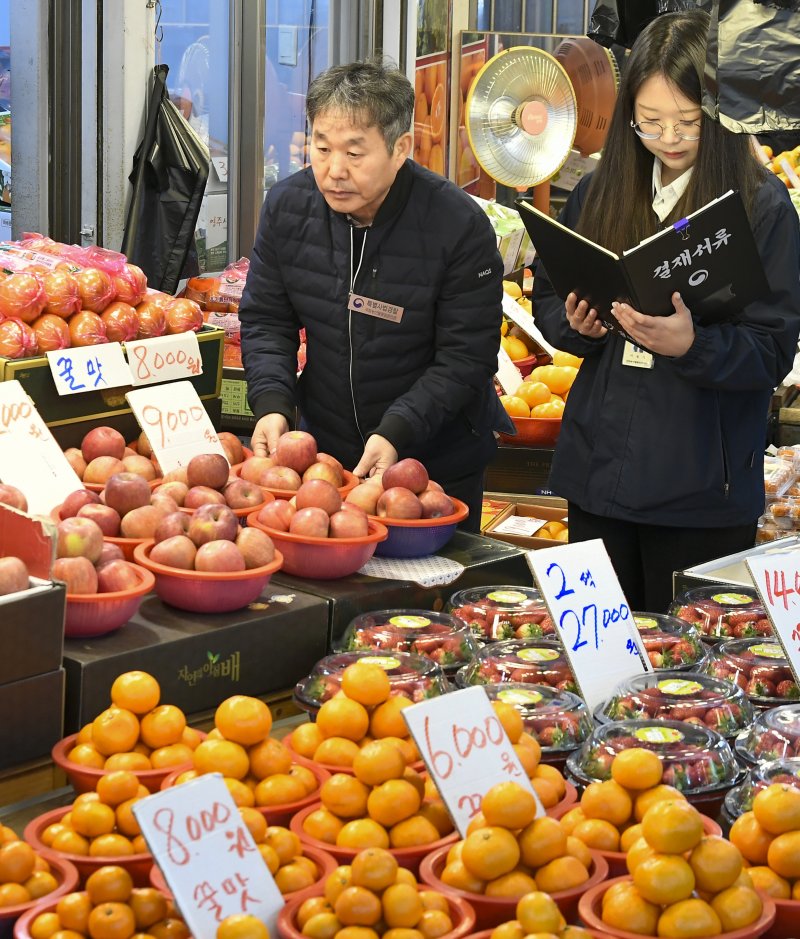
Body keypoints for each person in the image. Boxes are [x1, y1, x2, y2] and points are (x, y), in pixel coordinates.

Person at [531, 10, 800, 612]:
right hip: (597, 474)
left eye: (688, 122)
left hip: (700, 485)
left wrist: (692, 344)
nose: (670, 138)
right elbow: (549, 293)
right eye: (650, 123)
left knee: (683, 682)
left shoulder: (762, 206)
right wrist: (577, 325)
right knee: (600, 665)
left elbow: (772, 349)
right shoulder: (602, 188)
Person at [238, 59, 512, 531]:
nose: (334, 170)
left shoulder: (456, 225)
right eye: (320, 148)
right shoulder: (288, 208)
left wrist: (398, 430)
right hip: (326, 458)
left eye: (354, 153)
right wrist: (272, 402)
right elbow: (266, 319)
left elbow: (466, 358)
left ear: (401, 147)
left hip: (434, 461)